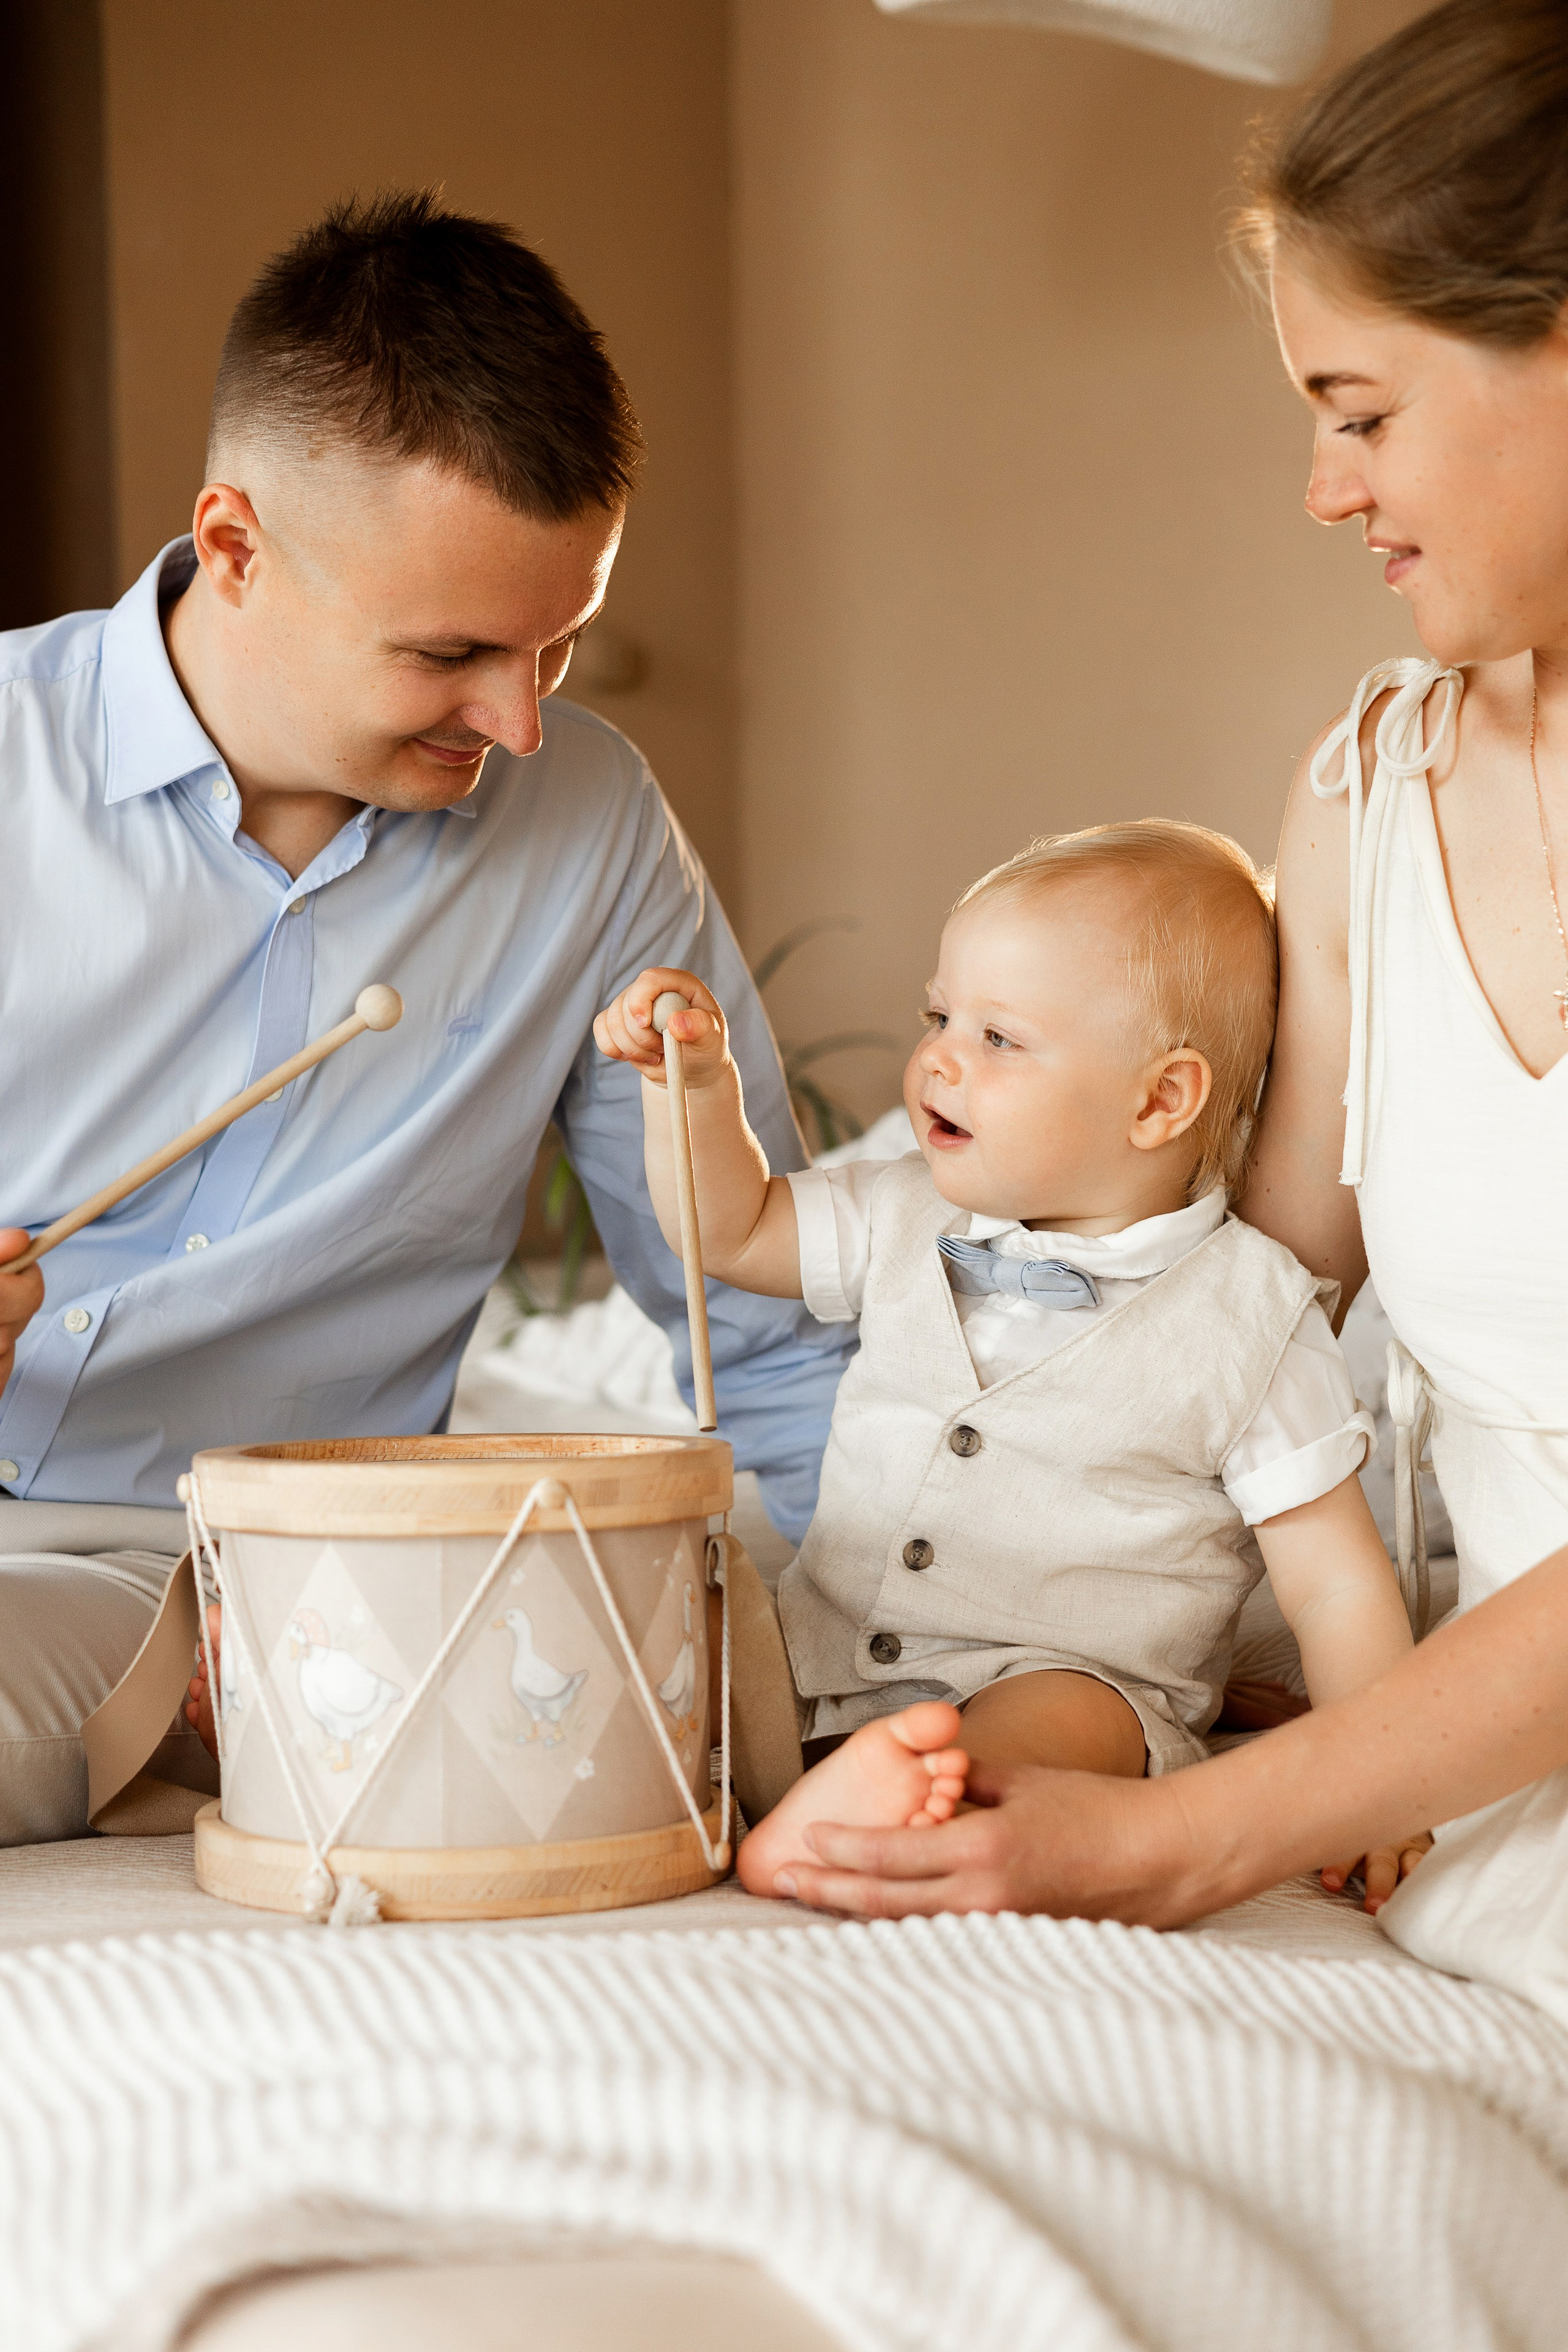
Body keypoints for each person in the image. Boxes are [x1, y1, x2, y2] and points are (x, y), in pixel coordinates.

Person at [753, 0, 1568, 2017]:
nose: (1322, 485)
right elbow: (1232, 1314)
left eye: (1362, 410)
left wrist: (1189, 1827)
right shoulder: (1368, 795)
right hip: (1463, 1803)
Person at [0, 192, 854, 1845]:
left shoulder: (595, 827)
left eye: (561, 646)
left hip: (256, 1588)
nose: (524, 727)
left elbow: (757, 1311)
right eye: (455, 654)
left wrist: (879, 1682)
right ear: (235, 545)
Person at [595, 820, 1428, 1908]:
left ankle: (897, 1812)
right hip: (821, 1654)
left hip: (1066, 1679)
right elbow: (732, 1229)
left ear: (1158, 1101)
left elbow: (1335, 1586)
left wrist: (1376, 1784)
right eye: (940, 1016)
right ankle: (797, 1783)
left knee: (1062, 1722)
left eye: (1000, 1039)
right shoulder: (902, 1207)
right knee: (668, 1627)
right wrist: (694, 1094)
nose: (939, 1055)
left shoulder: (1254, 1318)